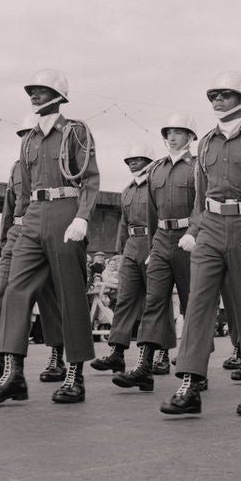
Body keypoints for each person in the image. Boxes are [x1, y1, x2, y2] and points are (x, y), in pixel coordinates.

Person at [159, 71, 241, 417]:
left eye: (224, 94)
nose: (216, 100)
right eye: (213, 95)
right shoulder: (206, 143)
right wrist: (194, 229)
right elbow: (201, 195)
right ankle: (189, 383)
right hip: (211, 227)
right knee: (197, 303)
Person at [0, 69, 100, 406]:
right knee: (15, 291)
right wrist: (19, 225)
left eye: (41, 90)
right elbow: (25, 191)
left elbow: (90, 178)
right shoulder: (29, 139)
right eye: (31, 90)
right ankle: (13, 374)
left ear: (58, 96)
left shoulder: (75, 132)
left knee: (70, 296)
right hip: (33, 216)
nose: (33, 95)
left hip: (65, 211)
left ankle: (74, 376)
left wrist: (82, 216)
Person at [0, 115, 66, 384]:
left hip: (44, 231)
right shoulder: (16, 167)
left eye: (29, 134)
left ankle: (57, 357)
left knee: (48, 296)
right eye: (22, 136)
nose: (26, 140)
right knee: (4, 292)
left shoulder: (57, 162)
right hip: (17, 233)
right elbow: (9, 206)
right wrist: (5, 238)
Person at [114, 114, 197, 392]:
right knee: (153, 301)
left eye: (178, 132)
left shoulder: (198, 168)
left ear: (190, 136)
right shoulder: (156, 170)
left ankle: (196, 368)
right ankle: (144, 367)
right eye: (168, 133)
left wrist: (196, 235)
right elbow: (151, 212)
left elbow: (202, 206)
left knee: (192, 304)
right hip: (161, 240)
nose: (171, 137)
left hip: (189, 239)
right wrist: (152, 248)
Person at [91, 143, 154, 375]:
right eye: (129, 161)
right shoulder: (127, 190)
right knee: (125, 299)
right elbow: (123, 223)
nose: (132, 163)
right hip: (132, 245)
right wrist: (121, 250)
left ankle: (155, 357)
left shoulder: (156, 186)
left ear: (149, 161)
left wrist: (157, 247)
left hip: (152, 243)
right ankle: (117, 353)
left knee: (154, 302)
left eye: (137, 159)